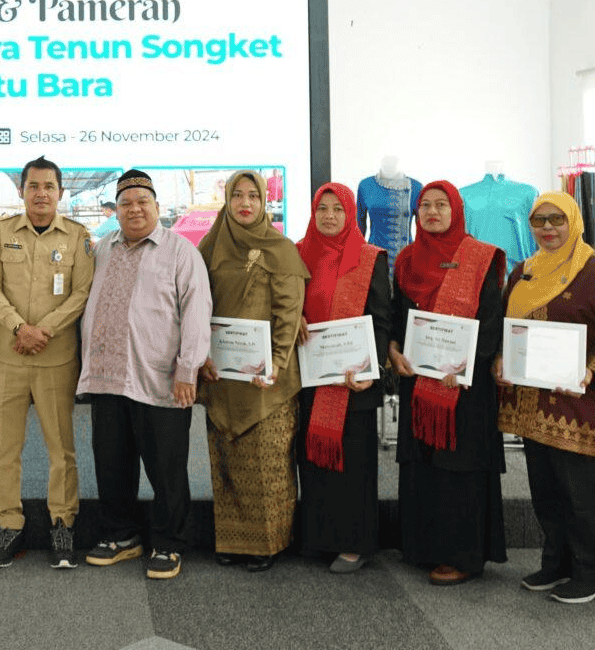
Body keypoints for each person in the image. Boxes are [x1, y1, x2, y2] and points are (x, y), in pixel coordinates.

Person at [494, 191, 595, 604]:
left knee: (578, 490)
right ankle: (556, 564)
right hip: (530, 402)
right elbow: (508, 327)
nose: (548, 229)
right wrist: (501, 359)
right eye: (540, 221)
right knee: (545, 489)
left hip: (577, 402)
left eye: (557, 220)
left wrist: (592, 369)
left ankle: (593, 574)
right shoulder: (525, 271)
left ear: (573, 221)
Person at [78, 169, 212, 581]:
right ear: (115, 210)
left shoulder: (180, 252)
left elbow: (197, 311)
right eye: (125, 203)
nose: (134, 209)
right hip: (107, 376)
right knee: (111, 462)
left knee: (166, 467)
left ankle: (169, 543)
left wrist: (188, 368)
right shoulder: (101, 249)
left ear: (156, 206)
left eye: (143, 202)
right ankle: (121, 535)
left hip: (160, 378)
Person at [388, 180, 507, 585]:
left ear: (457, 209)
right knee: (423, 465)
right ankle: (423, 545)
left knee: (460, 467)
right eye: (425, 205)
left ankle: (462, 553)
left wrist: (468, 364)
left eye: (442, 205)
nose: (433, 212)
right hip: (418, 379)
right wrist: (392, 350)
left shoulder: (480, 257)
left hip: (465, 386)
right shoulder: (406, 259)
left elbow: (492, 319)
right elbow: (395, 315)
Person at [0, 156, 96, 569]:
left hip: (56, 357)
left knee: (61, 448)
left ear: (60, 192)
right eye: (33, 186)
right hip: (7, 357)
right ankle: (9, 523)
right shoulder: (1, 232)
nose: (41, 193)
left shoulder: (79, 237)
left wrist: (43, 329)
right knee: (5, 449)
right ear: (22, 191)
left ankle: (62, 522)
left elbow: (81, 293)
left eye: (49, 186)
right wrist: (18, 328)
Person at [195, 170, 307, 572]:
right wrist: (199, 356)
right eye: (237, 196)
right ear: (227, 200)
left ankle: (267, 543)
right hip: (222, 375)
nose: (245, 203)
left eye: (253, 197)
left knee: (267, 463)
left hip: (267, 380)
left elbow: (289, 312)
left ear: (264, 202)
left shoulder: (281, 249)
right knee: (226, 460)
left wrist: (275, 362)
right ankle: (231, 540)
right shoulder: (211, 246)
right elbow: (195, 306)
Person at [294, 182, 391, 573]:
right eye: (323, 209)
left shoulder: (370, 258)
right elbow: (286, 301)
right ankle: (320, 538)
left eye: (337, 209)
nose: (330, 216)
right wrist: (293, 317)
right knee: (313, 461)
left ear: (350, 213)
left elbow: (382, 321)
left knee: (353, 464)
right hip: (311, 374)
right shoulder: (299, 254)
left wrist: (374, 369)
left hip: (356, 381)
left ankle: (355, 543)